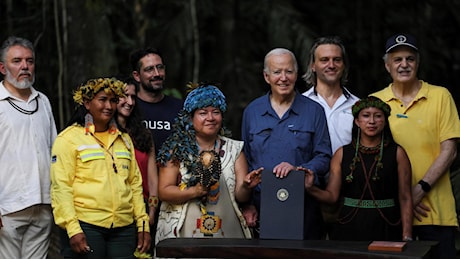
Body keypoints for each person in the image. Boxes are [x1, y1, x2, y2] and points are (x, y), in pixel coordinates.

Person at [372, 33, 460, 258]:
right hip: (392, 213)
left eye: (409, 59)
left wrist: (419, 190)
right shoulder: (375, 102)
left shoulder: (440, 96)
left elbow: (449, 151)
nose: (404, 65)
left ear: (418, 63)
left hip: (436, 211)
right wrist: (402, 198)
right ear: (387, 65)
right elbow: (370, 158)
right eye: (397, 59)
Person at [50, 77, 150, 258]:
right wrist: (73, 229)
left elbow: (135, 184)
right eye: (102, 100)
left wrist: (143, 224)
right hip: (86, 225)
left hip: (124, 228)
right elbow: (61, 187)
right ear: (87, 103)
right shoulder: (68, 139)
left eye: (113, 100)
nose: (109, 106)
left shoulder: (124, 139)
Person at [241, 48, 332, 239]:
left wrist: (301, 170)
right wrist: (246, 204)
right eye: (277, 72)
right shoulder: (252, 111)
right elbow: (245, 160)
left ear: (296, 74)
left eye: (289, 71)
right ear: (267, 77)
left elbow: (324, 156)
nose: (284, 78)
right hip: (262, 206)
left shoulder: (314, 111)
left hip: (304, 204)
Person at [155, 83, 262, 243]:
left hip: (227, 231)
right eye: (203, 113)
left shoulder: (234, 149)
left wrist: (246, 186)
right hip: (184, 234)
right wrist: (194, 192)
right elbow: (164, 191)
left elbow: (241, 196)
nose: (211, 118)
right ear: (190, 118)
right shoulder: (176, 151)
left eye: (216, 112)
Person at [303, 96, 413, 241]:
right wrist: (310, 188)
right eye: (366, 116)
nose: (372, 121)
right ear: (357, 121)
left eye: (378, 116)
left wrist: (407, 235)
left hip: (387, 224)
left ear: (385, 121)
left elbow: (405, 197)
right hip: (349, 225)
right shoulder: (342, 154)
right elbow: (332, 196)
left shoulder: (397, 153)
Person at [0, 36, 57, 258]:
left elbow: (54, 151)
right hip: (8, 207)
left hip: (43, 203)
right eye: (17, 61)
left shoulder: (42, 101)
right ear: (2, 67)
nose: (25, 66)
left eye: (29, 61)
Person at [302, 36, 360, 239]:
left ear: (344, 65)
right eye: (324, 60)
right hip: (306, 193)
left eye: (337, 60)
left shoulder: (359, 107)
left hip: (349, 194)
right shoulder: (299, 106)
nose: (331, 65)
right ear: (313, 65)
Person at [116, 76, 158, 255]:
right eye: (124, 96)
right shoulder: (104, 134)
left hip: (143, 207)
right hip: (118, 208)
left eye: (133, 97)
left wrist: (152, 211)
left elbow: (153, 178)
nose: (130, 102)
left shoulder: (143, 134)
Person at [129, 47, 183, 156]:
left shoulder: (180, 107)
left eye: (160, 67)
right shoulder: (129, 107)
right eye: (149, 69)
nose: (157, 74)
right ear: (137, 76)